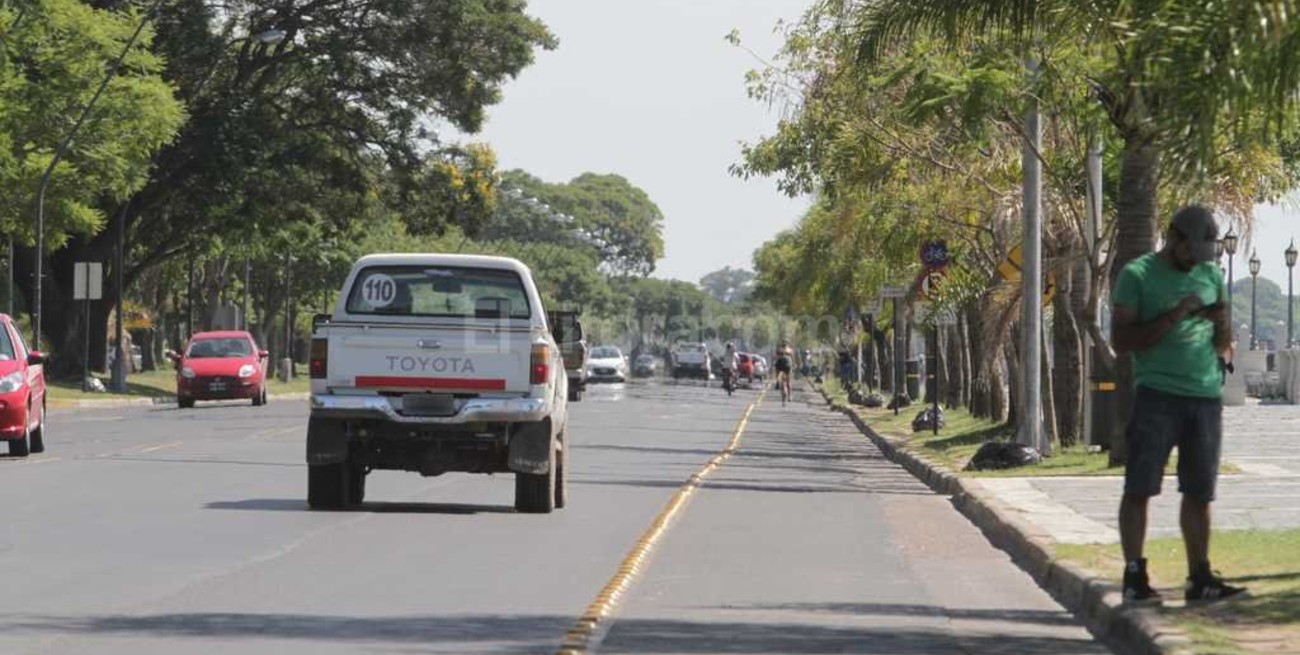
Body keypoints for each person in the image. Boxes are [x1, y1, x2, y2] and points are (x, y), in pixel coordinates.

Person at [1111, 204, 1244, 604]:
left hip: (1205, 397)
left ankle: (1199, 577)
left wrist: (1220, 325)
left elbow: (1223, 347)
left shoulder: (1211, 275)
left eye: (1203, 255)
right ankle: (1135, 576)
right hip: (1157, 395)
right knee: (1140, 487)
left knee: (1200, 491)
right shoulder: (1138, 275)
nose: (1196, 262)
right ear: (1173, 238)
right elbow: (1122, 342)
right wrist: (1176, 314)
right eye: (1191, 252)